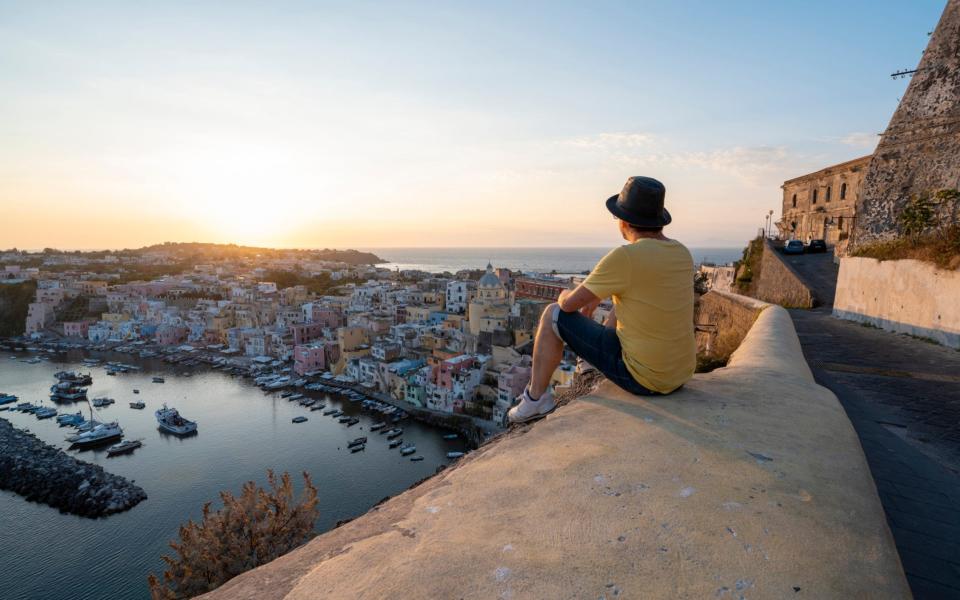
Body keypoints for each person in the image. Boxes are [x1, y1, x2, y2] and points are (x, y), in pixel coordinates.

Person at [507, 176, 696, 424]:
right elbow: (636, 300)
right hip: (679, 375)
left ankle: (535, 400)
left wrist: (565, 294)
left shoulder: (626, 257)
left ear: (625, 221)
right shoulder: (681, 252)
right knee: (623, 300)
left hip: (644, 381)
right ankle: (590, 363)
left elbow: (568, 306)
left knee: (553, 313)